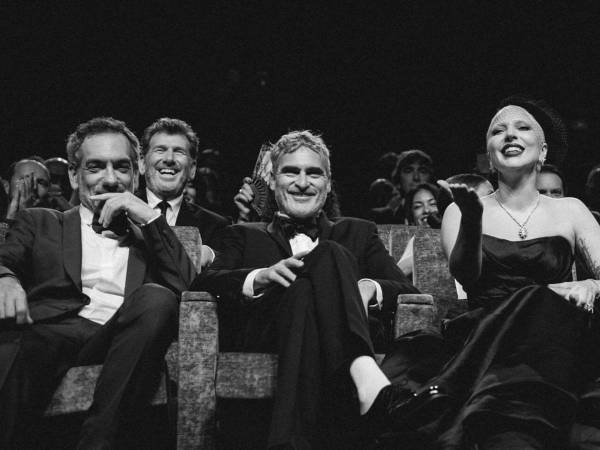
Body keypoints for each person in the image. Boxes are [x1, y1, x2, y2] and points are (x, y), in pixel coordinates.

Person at [376, 96, 600, 449]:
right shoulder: (461, 210)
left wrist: (591, 283)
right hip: (485, 333)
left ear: (542, 151)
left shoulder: (570, 210)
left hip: (553, 337)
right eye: (499, 131)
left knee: (544, 309)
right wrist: (472, 219)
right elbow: (467, 276)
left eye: (522, 127)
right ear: (490, 156)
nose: (510, 134)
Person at [194, 130, 418, 449]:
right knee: (319, 266)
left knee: (319, 268)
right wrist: (260, 276)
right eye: (291, 172)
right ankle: (362, 368)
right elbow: (204, 283)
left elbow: (409, 291)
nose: (302, 182)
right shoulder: (242, 234)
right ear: (273, 181)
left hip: (335, 333)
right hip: (268, 332)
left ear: (328, 184)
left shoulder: (359, 232)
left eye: (313, 173)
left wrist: (370, 287)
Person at [0, 117, 195, 448]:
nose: (110, 179)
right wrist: (5, 279)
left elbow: (189, 288)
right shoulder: (40, 221)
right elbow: (6, 258)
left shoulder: (154, 238)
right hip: (49, 335)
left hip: (119, 341)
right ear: (74, 175)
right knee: (27, 345)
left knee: (157, 298)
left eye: (121, 167)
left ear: (136, 175)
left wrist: (148, 217)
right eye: (95, 167)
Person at [138, 117, 229, 265]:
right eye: (160, 150)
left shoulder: (215, 226)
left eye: (179, 152)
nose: (169, 159)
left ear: (192, 169)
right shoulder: (121, 214)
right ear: (142, 163)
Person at [371, 149, 434, 224]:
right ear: (398, 179)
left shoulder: (443, 213)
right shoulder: (380, 217)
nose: (416, 177)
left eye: (422, 171)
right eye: (408, 171)